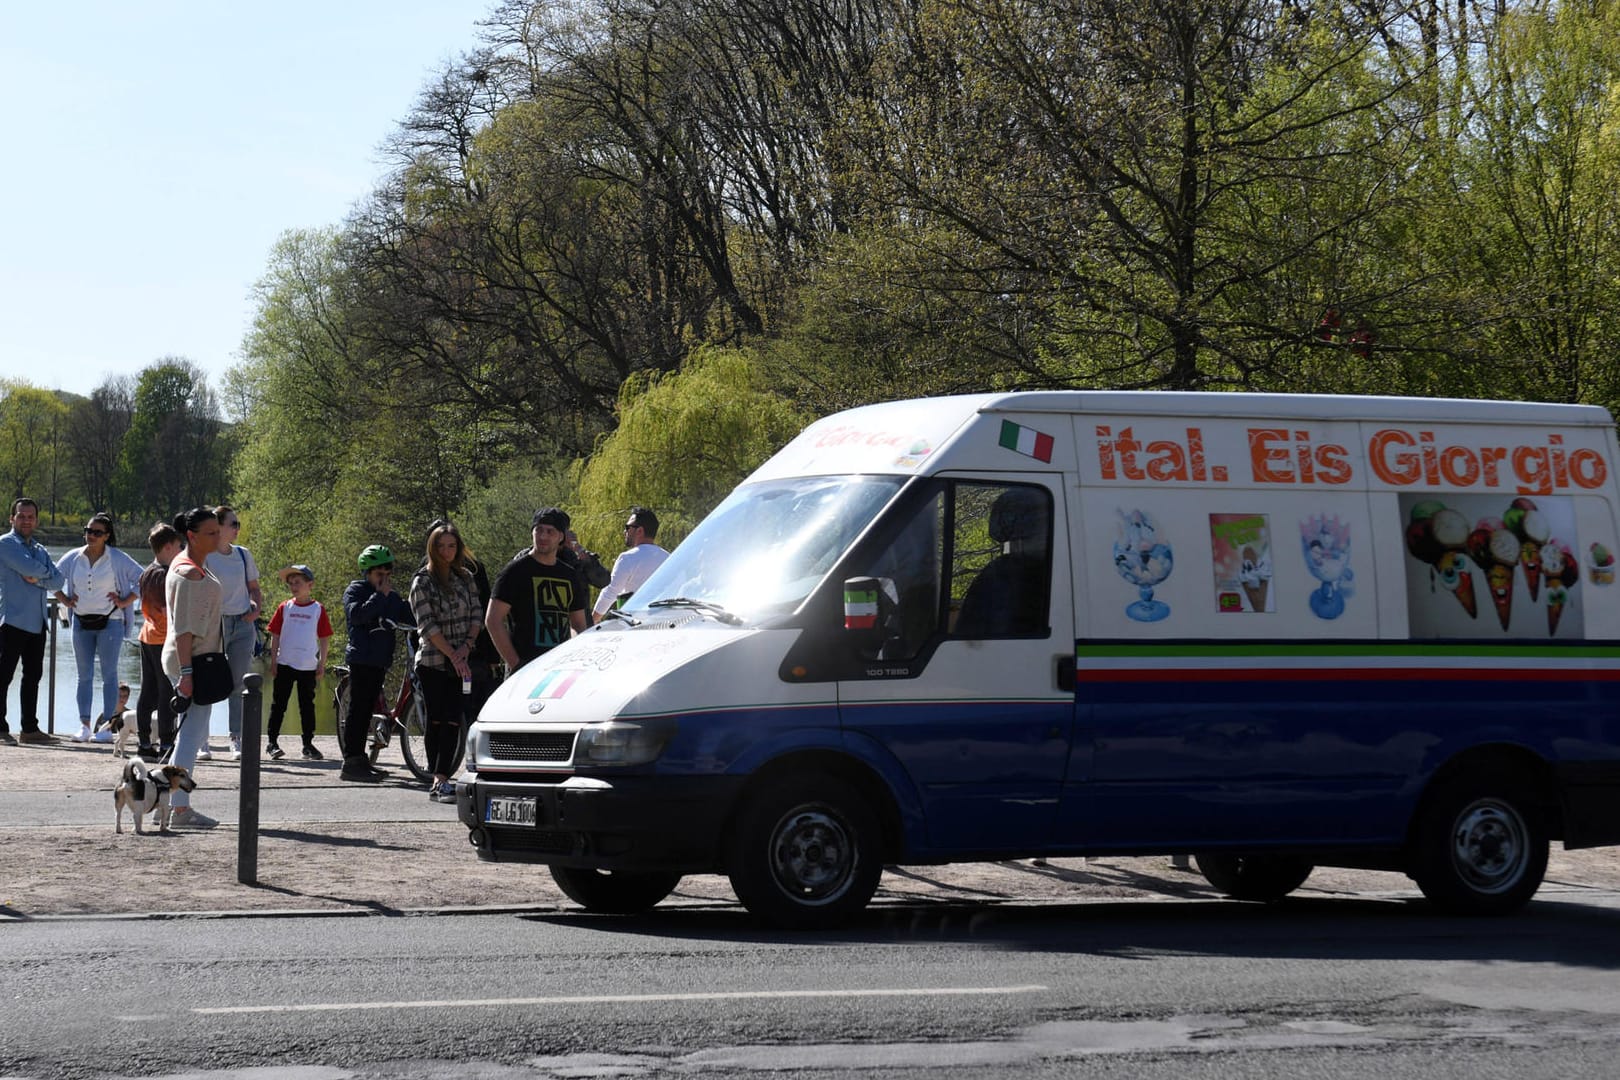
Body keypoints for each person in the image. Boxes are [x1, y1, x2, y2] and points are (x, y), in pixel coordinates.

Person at [53, 513, 144, 743]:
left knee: (109, 675)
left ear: (107, 536)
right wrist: (63, 598)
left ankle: (105, 728)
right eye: (88, 530)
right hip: (81, 622)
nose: (91, 535)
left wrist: (125, 601)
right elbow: (52, 577)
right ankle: (84, 725)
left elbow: (144, 579)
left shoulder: (117, 558)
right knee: (84, 676)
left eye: (97, 532)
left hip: (110, 623)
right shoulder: (74, 557)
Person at [409, 522, 483, 801]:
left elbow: (477, 614)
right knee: (437, 719)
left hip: (461, 660)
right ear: (432, 548)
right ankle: (437, 780)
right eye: (440, 546)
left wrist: (466, 647)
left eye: (451, 546)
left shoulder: (466, 578)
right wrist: (452, 655)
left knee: (455, 719)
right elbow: (426, 625)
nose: (446, 551)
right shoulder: (422, 582)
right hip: (433, 662)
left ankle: (444, 776)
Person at [162, 507, 226, 829]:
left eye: (219, 530)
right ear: (191, 535)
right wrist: (186, 676)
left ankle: (172, 802)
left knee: (191, 732)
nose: (218, 536)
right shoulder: (189, 574)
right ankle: (181, 809)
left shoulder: (190, 563)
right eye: (211, 532)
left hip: (196, 659)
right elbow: (184, 630)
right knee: (191, 735)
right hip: (193, 661)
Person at [341, 545, 413, 780]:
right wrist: (379, 596)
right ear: (367, 573)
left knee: (368, 708)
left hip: (380, 661)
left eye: (387, 574)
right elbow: (357, 615)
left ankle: (362, 761)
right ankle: (351, 763)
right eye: (379, 574)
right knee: (359, 711)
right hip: (362, 659)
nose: (384, 579)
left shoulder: (391, 597)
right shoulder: (356, 590)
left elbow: (408, 614)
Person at [488, 508, 588, 672]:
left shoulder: (570, 575)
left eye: (550, 532)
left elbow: (578, 624)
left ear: (561, 537)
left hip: (559, 668)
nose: (543, 536)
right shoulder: (515, 572)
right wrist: (516, 664)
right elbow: (493, 620)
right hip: (523, 668)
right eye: (539, 530)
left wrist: (574, 658)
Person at [0, 498, 67, 746]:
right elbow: (27, 567)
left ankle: (29, 729)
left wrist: (37, 578)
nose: (26, 520)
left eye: (30, 516)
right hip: (12, 620)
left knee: (33, 676)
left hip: (38, 622)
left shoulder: (40, 549)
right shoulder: (5, 544)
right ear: (12, 519)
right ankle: (0, 728)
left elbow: (59, 582)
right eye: (21, 516)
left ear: (36, 520)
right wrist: (43, 575)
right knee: (3, 675)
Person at [205, 504, 262, 761]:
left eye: (238, 524)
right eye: (233, 524)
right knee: (207, 682)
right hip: (214, 625)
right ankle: (201, 740)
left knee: (239, 684)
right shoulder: (205, 555)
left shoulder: (242, 554)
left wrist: (256, 610)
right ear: (218, 526)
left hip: (242, 624)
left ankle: (235, 738)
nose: (237, 528)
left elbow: (254, 588)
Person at [265, 564, 333, 761]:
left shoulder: (317, 609)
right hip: (285, 663)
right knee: (279, 704)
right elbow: (275, 634)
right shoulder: (285, 607)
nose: (294, 586)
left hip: (307, 666)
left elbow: (324, 638)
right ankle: (272, 742)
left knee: (307, 706)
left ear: (309, 584)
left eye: (298, 582)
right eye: (291, 583)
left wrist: (322, 663)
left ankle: (308, 744)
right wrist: (274, 660)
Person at [135, 523, 181, 760]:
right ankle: (165, 743)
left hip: (147, 635)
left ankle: (143, 742)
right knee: (166, 693)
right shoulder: (164, 575)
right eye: (178, 546)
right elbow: (166, 608)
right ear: (168, 547)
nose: (181, 550)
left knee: (148, 691)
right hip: (163, 638)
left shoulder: (146, 572)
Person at [592, 506, 670, 622]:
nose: (625, 531)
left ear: (639, 530)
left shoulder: (628, 558)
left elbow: (610, 593)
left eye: (627, 527)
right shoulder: (668, 558)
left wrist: (589, 623)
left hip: (634, 624)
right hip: (664, 624)